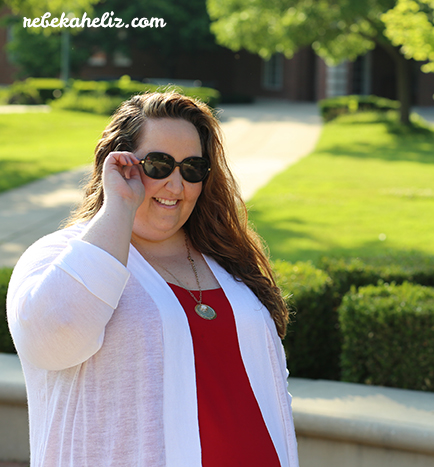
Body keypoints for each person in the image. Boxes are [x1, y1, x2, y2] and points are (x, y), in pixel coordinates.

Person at [6, 92, 298, 466]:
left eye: (192, 168)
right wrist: (119, 208)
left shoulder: (226, 261)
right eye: (159, 165)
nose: (176, 186)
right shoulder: (59, 255)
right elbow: (50, 341)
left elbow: (272, 394)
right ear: (120, 163)